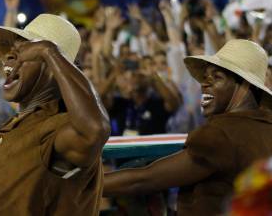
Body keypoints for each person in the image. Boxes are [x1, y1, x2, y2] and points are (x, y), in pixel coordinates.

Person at [103, 39, 272, 215]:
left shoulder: (221, 133)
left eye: (217, 77)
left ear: (244, 86)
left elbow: (144, 179)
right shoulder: (266, 127)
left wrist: (83, 185)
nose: (205, 83)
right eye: (206, 77)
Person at [0, 14, 110, 215]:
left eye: (27, 50)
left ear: (55, 70)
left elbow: (95, 131)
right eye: (11, 53)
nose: (9, 57)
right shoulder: (24, 122)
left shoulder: (59, 127)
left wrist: (50, 53)